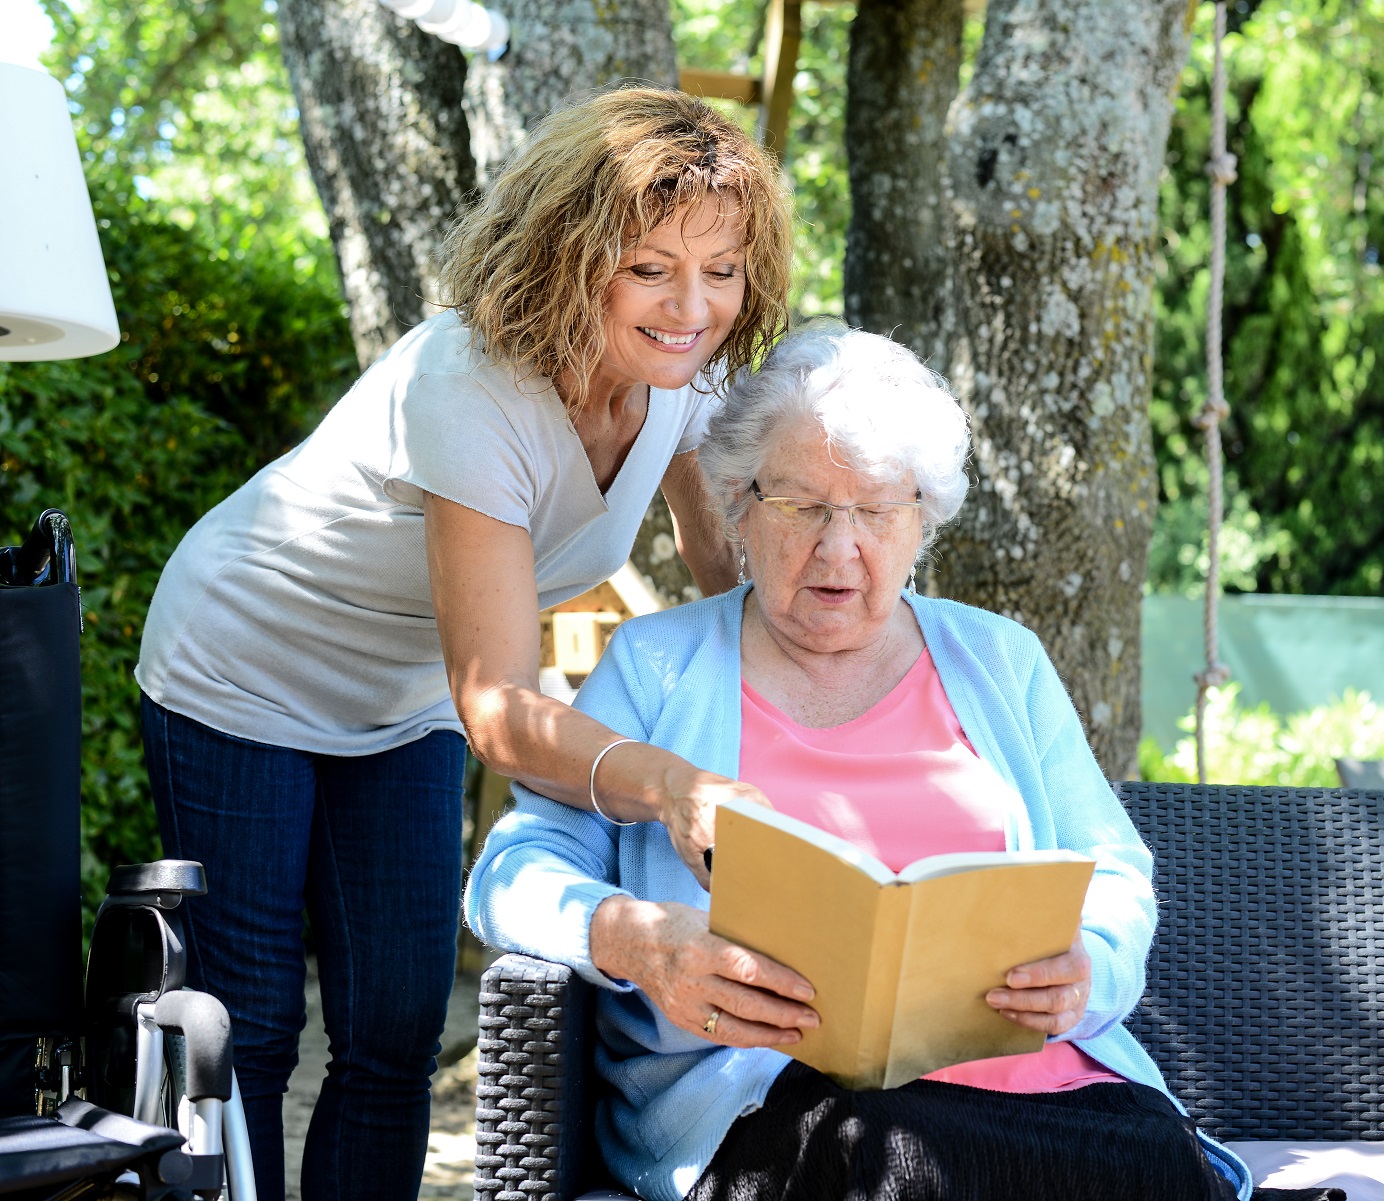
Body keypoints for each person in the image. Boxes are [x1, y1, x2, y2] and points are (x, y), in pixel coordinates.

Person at [134, 88, 791, 1201]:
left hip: (404, 691)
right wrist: (675, 782)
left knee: (393, 1028)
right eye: (651, 268)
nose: (692, 306)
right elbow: (498, 712)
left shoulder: (685, 377)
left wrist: (809, 690)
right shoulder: (471, 382)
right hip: (244, 661)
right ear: (574, 254)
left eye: (721, 271)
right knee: (249, 1025)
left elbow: (723, 561)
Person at [466, 323, 1254, 1201]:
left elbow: (1112, 869)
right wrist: (640, 945)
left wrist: (1090, 967)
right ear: (737, 501)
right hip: (774, 1104)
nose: (839, 549)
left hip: (1035, 1086)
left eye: (877, 510)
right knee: (893, 1160)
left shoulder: (1002, 660)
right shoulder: (658, 665)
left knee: (1151, 1162)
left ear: (923, 516)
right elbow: (510, 870)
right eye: (801, 505)